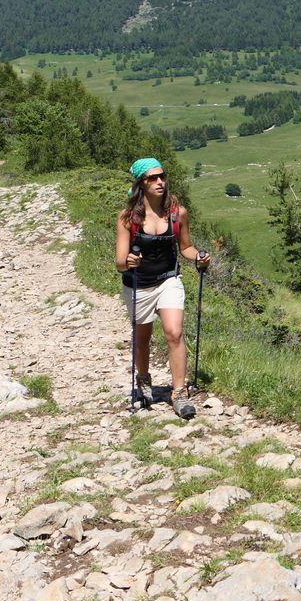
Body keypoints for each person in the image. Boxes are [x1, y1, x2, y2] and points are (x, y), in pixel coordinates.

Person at [115, 157, 212, 418]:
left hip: (169, 278)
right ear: (140, 184)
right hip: (138, 285)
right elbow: (119, 263)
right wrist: (129, 262)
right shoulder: (127, 219)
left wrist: (198, 257)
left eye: (162, 176)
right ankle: (144, 380)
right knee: (143, 339)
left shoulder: (177, 212)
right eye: (152, 178)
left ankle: (179, 393)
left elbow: (185, 247)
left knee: (174, 332)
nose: (160, 182)